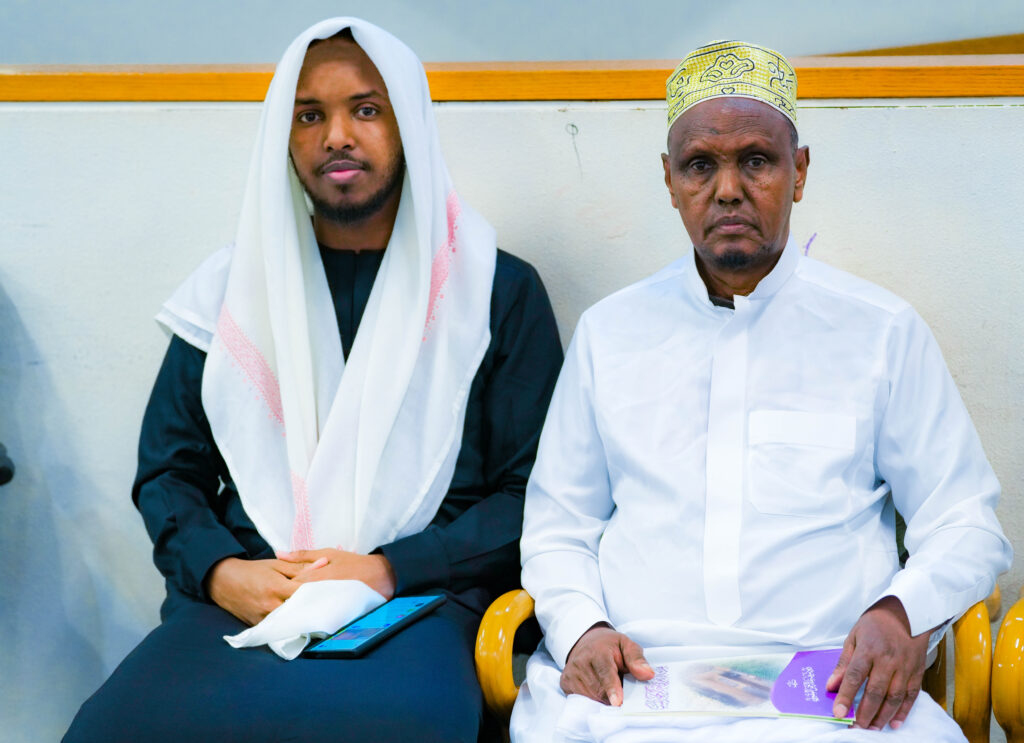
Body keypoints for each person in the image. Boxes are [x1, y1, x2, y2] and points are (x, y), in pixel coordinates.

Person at [64, 17, 562, 743]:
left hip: (421, 598)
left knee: (407, 726)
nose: (337, 136)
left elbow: (530, 496)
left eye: (366, 109)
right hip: (248, 595)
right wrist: (220, 571)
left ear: (410, 125)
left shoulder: (493, 290)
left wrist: (386, 569)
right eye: (309, 116)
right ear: (285, 138)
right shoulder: (234, 291)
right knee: (111, 728)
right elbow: (168, 472)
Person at [510, 41, 1011, 743]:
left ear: (798, 172)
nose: (727, 189)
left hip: (831, 690)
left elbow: (965, 521)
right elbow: (559, 526)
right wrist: (582, 627)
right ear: (669, 180)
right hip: (637, 689)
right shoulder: (609, 333)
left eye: (755, 160)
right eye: (700, 165)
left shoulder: (880, 331)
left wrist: (901, 613)